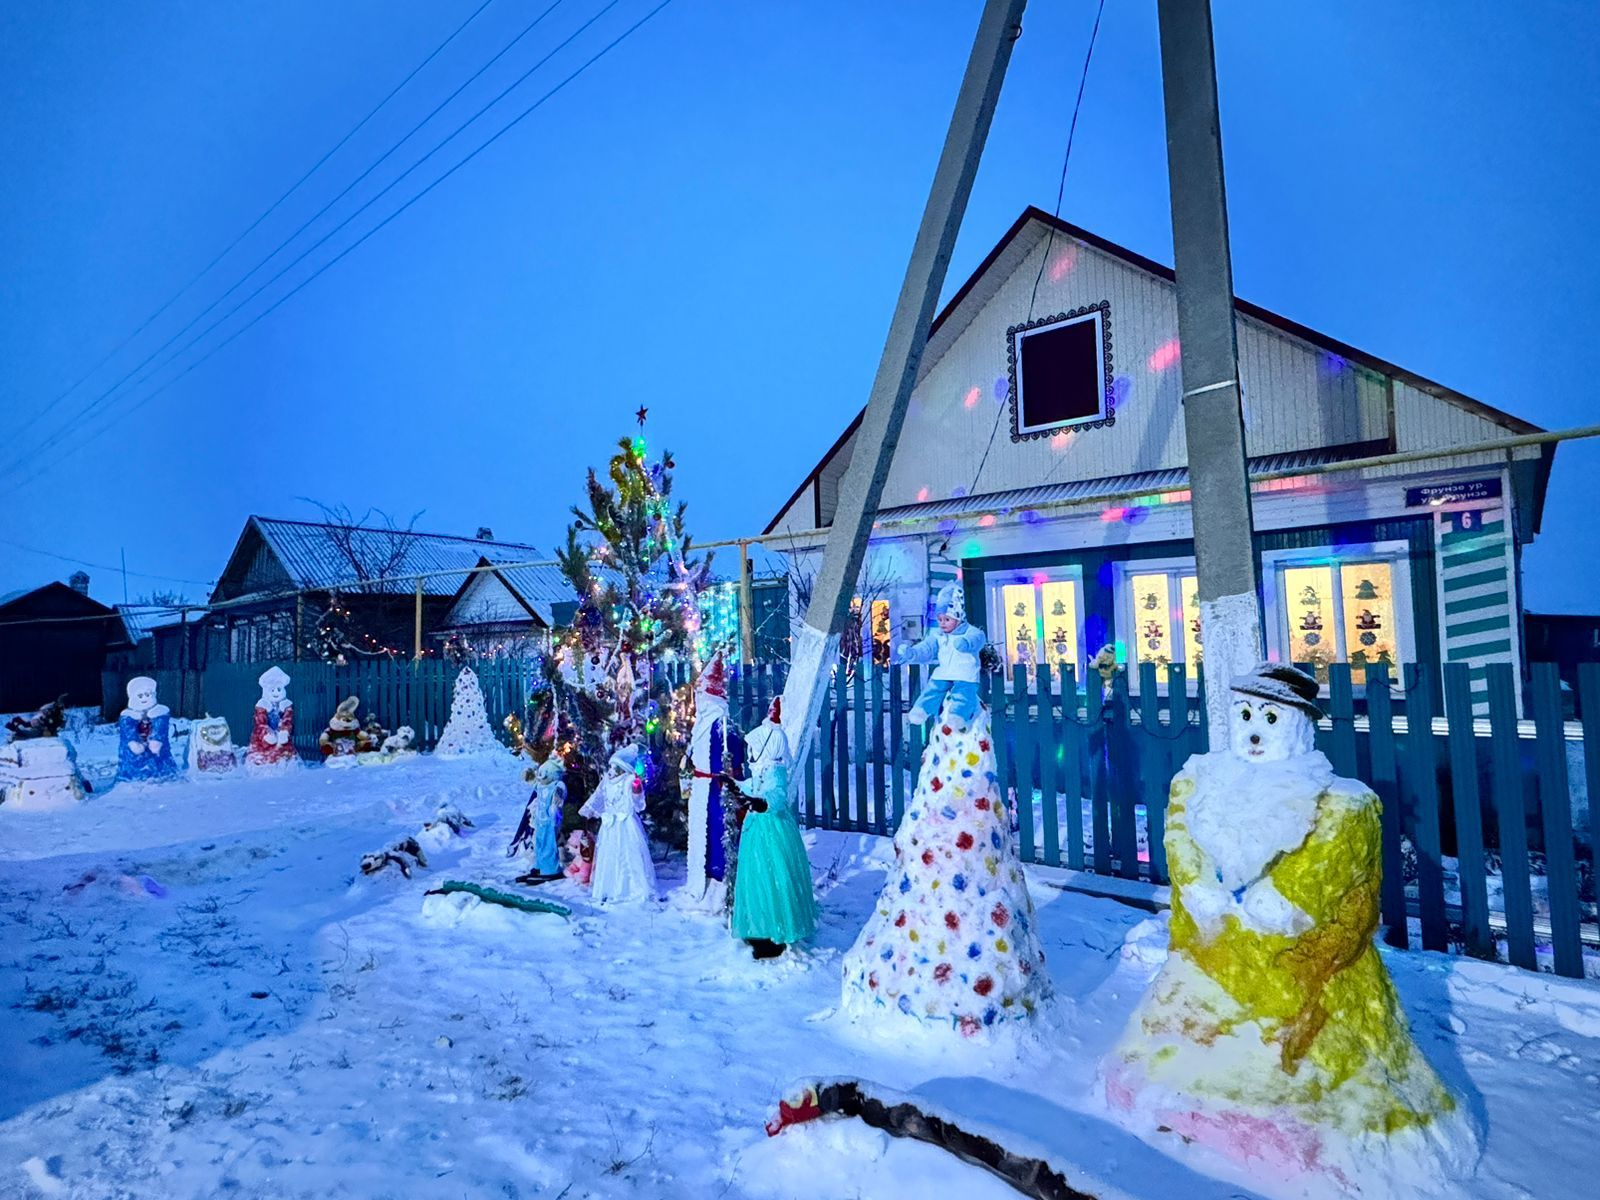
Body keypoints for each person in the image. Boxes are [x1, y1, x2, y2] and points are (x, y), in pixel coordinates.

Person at [722, 699, 818, 958]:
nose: (751, 753)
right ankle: (759, 925)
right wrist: (734, 785)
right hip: (757, 829)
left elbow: (777, 796)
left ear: (767, 746)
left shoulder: (776, 771)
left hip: (773, 832)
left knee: (773, 876)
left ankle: (776, 928)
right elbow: (753, 786)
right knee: (756, 877)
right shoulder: (762, 770)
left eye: (754, 747)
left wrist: (761, 803)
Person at [680, 650, 744, 909]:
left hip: (716, 791)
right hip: (701, 789)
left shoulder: (722, 726)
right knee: (703, 835)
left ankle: (720, 885)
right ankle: (704, 879)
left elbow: (734, 758)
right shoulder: (702, 725)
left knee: (718, 835)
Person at [895, 582, 986, 727]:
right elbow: (927, 648)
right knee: (933, 689)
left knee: (963, 694)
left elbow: (979, 638)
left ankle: (958, 715)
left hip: (965, 673)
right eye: (940, 619)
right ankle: (921, 709)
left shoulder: (969, 631)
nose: (942, 623)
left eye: (947, 619)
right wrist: (912, 653)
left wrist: (966, 643)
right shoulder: (938, 635)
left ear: (958, 617)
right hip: (945, 672)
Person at [579, 745, 657, 904]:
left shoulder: (629, 780)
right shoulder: (606, 781)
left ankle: (633, 888)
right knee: (610, 855)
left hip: (626, 825)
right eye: (611, 766)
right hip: (609, 826)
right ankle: (610, 887)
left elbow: (638, 804)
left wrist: (636, 790)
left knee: (629, 855)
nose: (611, 770)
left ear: (623, 769)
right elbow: (599, 796)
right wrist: (590, 810)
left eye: (615, 767)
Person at [509, 756, 567, 882]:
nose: (541, 777)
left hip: (550, 822)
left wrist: (558, 796)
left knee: (548, 845)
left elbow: (561, 791)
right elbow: (534, 782)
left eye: (543, 773)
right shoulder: (541, 786)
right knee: (538, 844)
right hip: (540, 822)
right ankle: (539, 866)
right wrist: (529, 776)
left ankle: (550, 869)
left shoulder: (556, 785)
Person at [117, 676, 180, 783]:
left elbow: (161, 728)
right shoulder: (127, 716)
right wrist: (133, 742)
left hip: (158, 755)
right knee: (133, 761)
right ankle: (133, 778)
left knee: (159, 762)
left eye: (147, 695)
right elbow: (127, 731)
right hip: (134, 757)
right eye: (140, 696)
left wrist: (156, 740)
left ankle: (164, 776)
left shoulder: (160, 713)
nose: (144, 699)